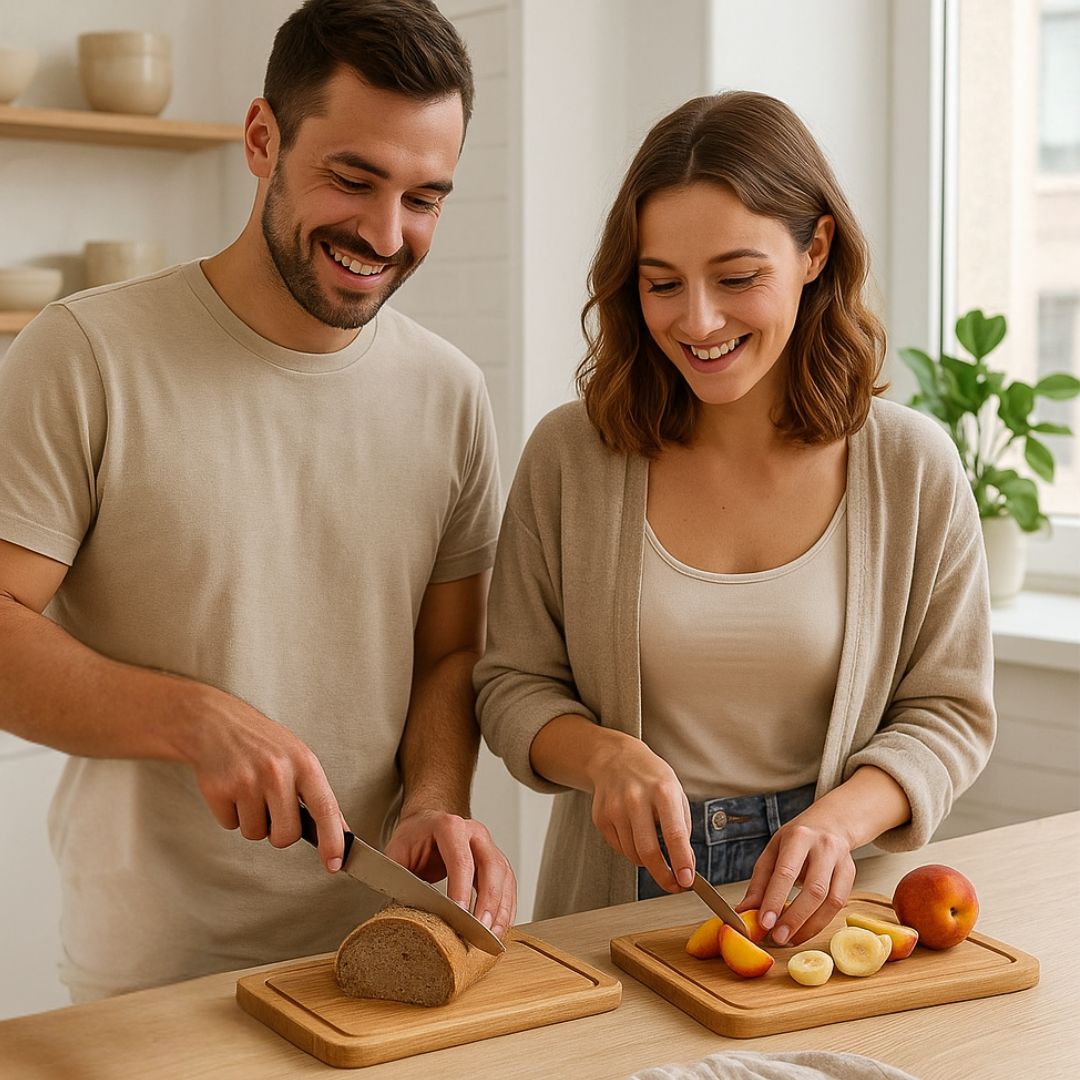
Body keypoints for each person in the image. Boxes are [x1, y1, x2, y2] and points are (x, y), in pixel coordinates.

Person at [0, 0, 515, 1003]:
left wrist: (437, 798)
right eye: (353, 179)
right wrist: (195, 720)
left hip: (386, 952)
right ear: (261, 138)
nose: (384, 232)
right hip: (155, 973)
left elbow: (451, 652)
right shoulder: (86, 354)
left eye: (425, 198)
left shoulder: (451, 393)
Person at [474, 90, 994, 949]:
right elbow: (511, 685)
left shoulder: (912, 467)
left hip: (838, 906)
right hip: (613, 908)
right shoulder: (573, 455)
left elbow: (950, 710)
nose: (699, 321)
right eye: (662, 284)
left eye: (738, 277)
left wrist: (835, 825)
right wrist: (604, 757)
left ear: (815, 249)